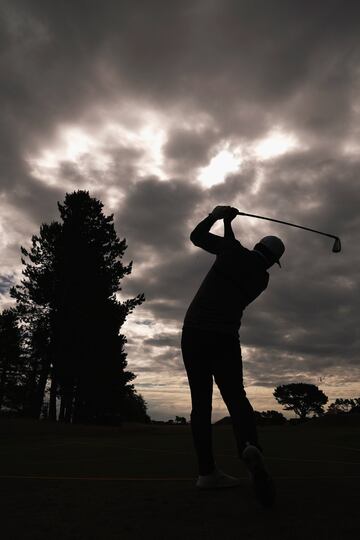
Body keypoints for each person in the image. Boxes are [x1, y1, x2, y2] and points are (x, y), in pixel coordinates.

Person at [181, 205, 285, 507]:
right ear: (273, 261)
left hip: (195, 333)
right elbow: (234, 250)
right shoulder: (262, 280)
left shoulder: (231, 252)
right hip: (224, 339)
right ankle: (249, 445)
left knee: (200, 403)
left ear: (257, 246)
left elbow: (197, 236)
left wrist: (219, 216)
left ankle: (207, 473)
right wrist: (228, 225)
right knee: (236, 398)